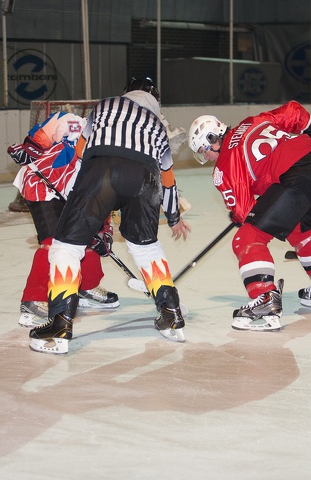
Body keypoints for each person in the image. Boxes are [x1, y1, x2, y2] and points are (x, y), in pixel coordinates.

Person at [29, 76, 191, 355]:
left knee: (66, 246)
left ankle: (59, 324)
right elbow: (167, 179)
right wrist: (174, 217)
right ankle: (171, 316)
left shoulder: (105, 105)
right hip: (145, 179)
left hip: (102, 170)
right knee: (146, 247)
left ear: (127, 92)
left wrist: (78, 197)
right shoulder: (157, 126)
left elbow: (80, 152)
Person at [187, 100, 311, 332]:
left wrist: (240, 217)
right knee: (299, 228)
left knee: (246, 240)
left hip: (297, 179)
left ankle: (265, 298)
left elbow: (245, 211)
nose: (207, 157)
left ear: (212, 139)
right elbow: (293, 110)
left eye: (203, 150)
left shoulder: (224, 166)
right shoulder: (252, 121)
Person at [7, 111, 120, 328]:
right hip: (42, 186)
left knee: (86, 236)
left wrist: (103, 229)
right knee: (52, 244)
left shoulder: (112, 158)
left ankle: (85, 285)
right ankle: (33, 298)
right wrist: (30, 149)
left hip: (73, 195)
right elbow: (46, 131)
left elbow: (104, 196)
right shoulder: (75, 125)